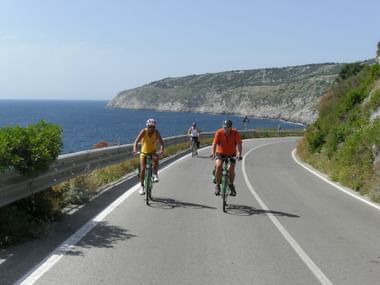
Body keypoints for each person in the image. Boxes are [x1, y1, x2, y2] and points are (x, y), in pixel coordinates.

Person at [210, 119, 242, 196]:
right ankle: (217, 186)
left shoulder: (235, 133)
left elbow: (239, 144)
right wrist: (213, 153)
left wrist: (239, 154)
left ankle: (231, 185)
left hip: (232, 153)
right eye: (224, 127)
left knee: (231, 168)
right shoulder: (219, 132)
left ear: (230, 127)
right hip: (220, 153)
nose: (225, 129)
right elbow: (214, 144)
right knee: (218, 166)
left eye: (227, 127)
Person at [133, 118, 164, 195]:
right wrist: (135, 150)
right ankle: (142, 186)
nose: (152, 128)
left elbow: (161, 142)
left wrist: (162, 150)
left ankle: (155, 174)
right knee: (143, 169)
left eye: (153, 127)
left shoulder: (156, 132)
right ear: (147, 126)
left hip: (152, 152)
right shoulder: (144, 131)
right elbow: (136, 142)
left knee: (156, 159)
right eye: (150, 127)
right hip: (144, 152)